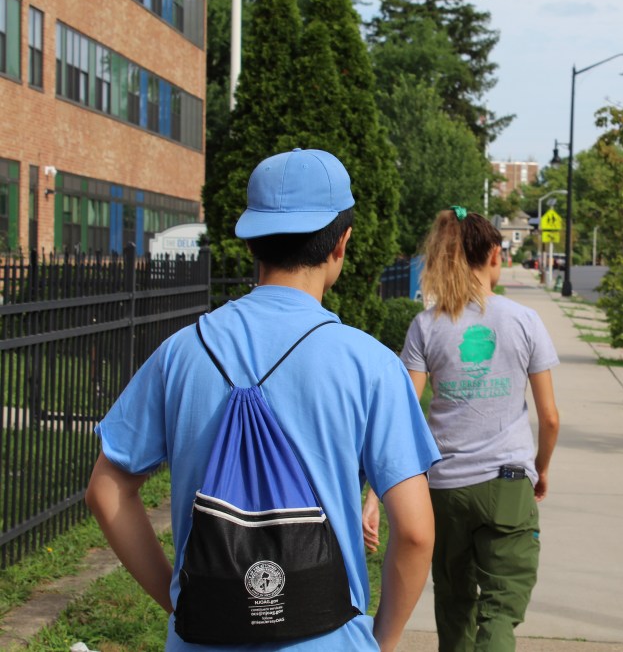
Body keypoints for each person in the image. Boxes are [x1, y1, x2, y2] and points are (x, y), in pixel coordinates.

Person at [86, 148, 440, 652]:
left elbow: (106, 491)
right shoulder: (370, 364)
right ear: (342, 243)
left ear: (251, 240)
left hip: (201, 639)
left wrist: (181, 601)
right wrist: (383, 639)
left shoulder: (180, 353)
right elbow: (416, 532)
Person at [363, 206, 560, 651]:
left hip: (445, 491)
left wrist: (374, 495)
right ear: (493, 255)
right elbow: (549, 417)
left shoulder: (425, 326)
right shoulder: (523, 321)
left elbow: (401, 417)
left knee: (454, 605)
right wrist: (542, 467)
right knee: (500, 610)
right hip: (507, 484)